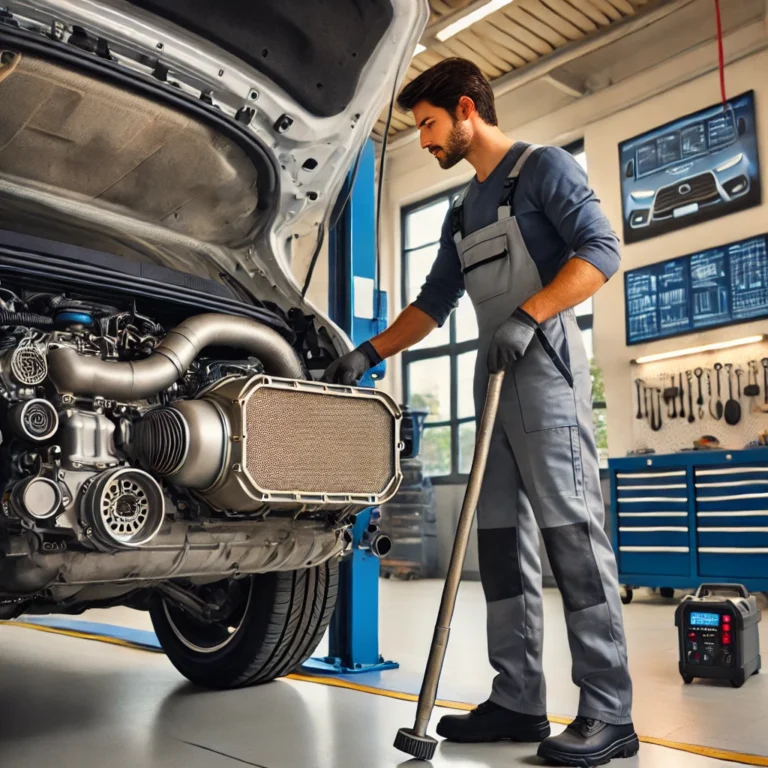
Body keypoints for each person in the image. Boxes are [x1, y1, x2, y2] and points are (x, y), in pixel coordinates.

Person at [322, 58, 637, 767]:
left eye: (430, 126)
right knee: (499, 549)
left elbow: (603, 250)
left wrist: (531, 314)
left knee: (574, 545)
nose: (426, 142)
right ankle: (518, 699)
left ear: (467, 111)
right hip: (490, 384)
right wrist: (365, 353)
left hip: (545, 380)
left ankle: (611, 715)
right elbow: (433, 306)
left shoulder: (544, 170)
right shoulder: (461, 211)